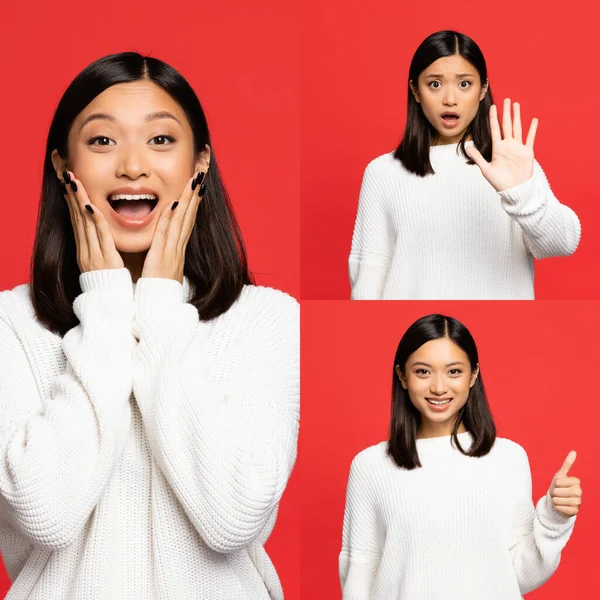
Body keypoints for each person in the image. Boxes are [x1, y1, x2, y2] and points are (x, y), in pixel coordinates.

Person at [0, 52, 299, 600]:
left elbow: (234, 516)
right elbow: (45, 512)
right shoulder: (11, 325)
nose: (133, 166)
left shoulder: (267, 319)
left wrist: (161, 309)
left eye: (161, 141)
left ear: (200, 163)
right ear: (62, 166)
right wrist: (107, 311)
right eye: (102, 141)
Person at [339, 314, 581, 599]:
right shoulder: (370, 466)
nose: (439, 387)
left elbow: (516, 574)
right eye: (422, 372)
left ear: (474, 375)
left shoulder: (508, 458)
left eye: (454, 371)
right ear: (402, 376)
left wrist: (554, 518)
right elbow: (359, 577)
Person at [348, 30, 581, 300]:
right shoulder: (383, 172)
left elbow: (562, 243)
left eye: (464, 84)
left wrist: (522, 195)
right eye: (435, 84)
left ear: (483, 89)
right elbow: (368, 278)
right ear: (416, 90)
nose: (450, 99)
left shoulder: (509, 165)